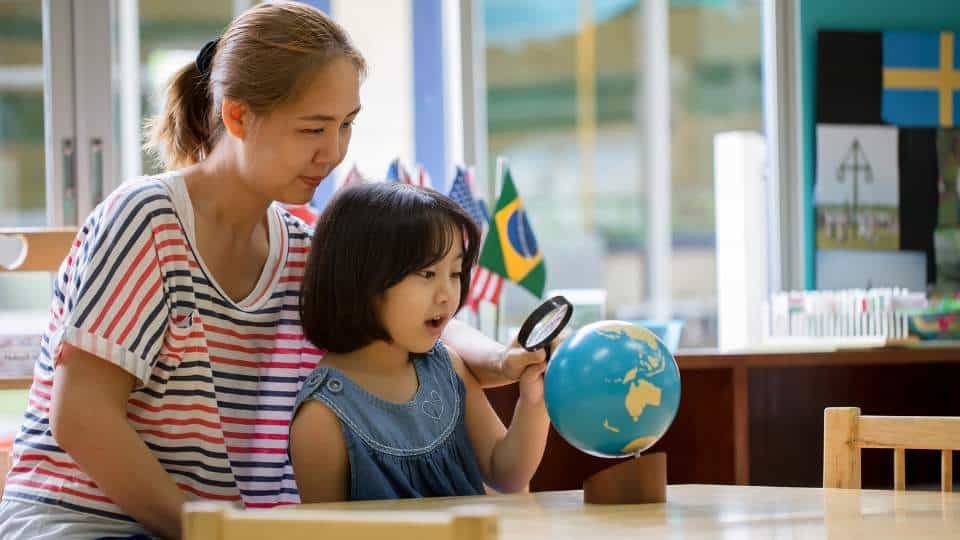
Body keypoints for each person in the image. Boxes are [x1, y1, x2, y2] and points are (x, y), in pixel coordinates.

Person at [0, 3, 545, 539]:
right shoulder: (148, 221)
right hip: (85, 523)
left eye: (346, 125)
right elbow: (81, 418)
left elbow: (411, 312)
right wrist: (210, 532)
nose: (332, 152)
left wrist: (499, 357)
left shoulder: (303, 247)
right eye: (312, 129)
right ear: (236, 115)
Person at [290, 183, 549, 502]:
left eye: (454, 273)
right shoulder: (321, 417)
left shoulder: (447, 366)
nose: (447, 294)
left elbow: (505, 472)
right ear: (361, 280)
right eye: (428, 274)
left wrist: (534, 402)